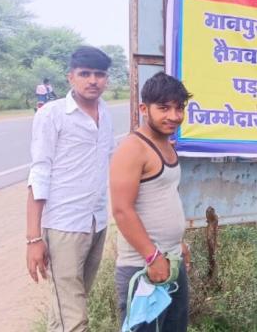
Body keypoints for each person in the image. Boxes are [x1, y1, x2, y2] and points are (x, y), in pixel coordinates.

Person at [26, 46, 113, 332]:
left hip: (96, 222)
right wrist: (33, 239)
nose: (93, 80)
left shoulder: (106, 113)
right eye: (85, 74)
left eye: (99, 74)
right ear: (70, 77)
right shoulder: (52, 115)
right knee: (75, 320)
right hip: (64, 226)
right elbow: (39, 173)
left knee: (66, 309)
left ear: (106, 80)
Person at [110, 72, 193, 331]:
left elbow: (162, 197)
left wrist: (177, 243)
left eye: (179, 108)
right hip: (143, 268)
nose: (173, 116)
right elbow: (122, 210)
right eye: (164, 108)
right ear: (144, 109)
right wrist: (152, 256)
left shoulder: (166, 144)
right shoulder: (132, 148)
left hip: (172, 261)